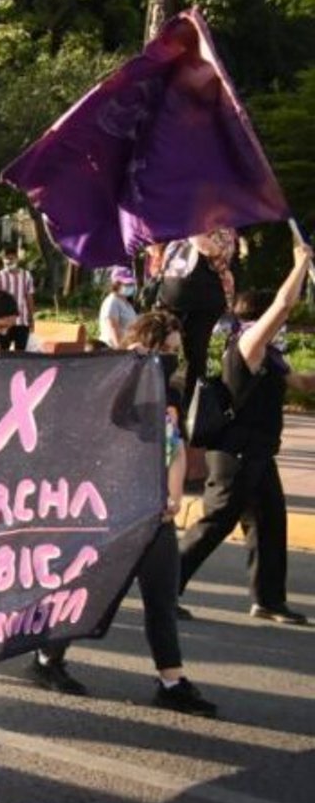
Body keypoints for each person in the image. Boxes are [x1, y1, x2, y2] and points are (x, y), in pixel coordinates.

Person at [29, 311, 217, 715]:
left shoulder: (171, 393)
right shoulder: (110, 384)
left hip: (154, 511)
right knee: (86, 592)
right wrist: (123, 370)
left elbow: (175, 447)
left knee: (162, 598)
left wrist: (174, 494)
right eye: (163, 350)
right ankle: (48, 659)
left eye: (174, 353)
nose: (170, 359)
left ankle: (171, 680)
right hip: (111, 511)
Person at [176, 242, 315, 625]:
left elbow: (301, 382)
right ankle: (166, 587)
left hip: (258, 453)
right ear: (263, 316)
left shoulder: (270, 355)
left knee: (271, 524)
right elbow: (284, 305)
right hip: (235, 455)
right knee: (214, 524)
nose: (282, 323)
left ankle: (268, 600)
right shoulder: (248, 344)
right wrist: (300, 263)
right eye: (276, 319)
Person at [157, 231, 232, 398]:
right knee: (177, 347)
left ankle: (182, 401)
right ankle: (179, 398)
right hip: (188, 294)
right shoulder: (190, 224)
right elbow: (203, 246)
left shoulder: (218, 229)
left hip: (193, 295)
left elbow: (209, 250)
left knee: (189, 350)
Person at [0, 246, 35, 351]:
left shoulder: (26, 275)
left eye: (11, 258)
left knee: (20, 352)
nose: (8, 261)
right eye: (5, 258)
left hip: (22, 320)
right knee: (3, 351)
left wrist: (31, 318)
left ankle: (19, 368)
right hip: (4, 320)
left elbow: (29, 297)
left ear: (17, 258)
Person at [97, 266, 139, 350]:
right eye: (126, 284)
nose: (130, 286)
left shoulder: (127, 304)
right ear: (116, 284)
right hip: (111, 349)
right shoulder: (112, 301)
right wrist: (119, 350)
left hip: (126, 347)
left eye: (131, 284)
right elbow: (112, 327)